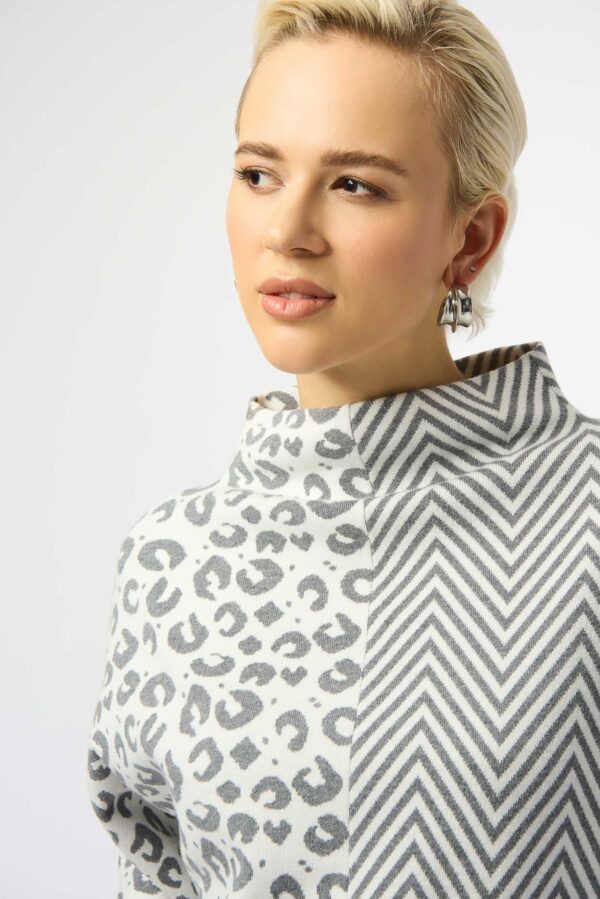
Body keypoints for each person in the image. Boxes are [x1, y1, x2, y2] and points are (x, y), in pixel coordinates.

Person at [85, 1, 600, 896]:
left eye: (355, 184)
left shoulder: (585, 519)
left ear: (471, 238)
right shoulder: (170, 561)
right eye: (258, 173)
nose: (286, 231)